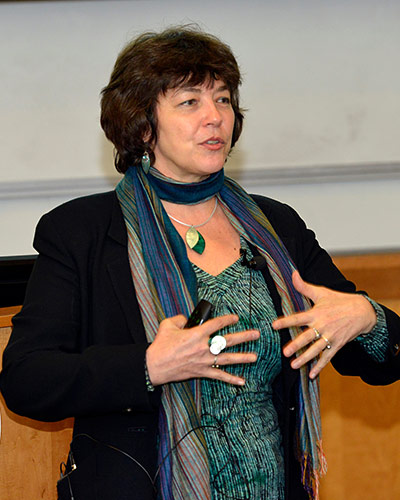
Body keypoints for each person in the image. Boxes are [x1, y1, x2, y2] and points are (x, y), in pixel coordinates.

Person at [1, 26, 399, 500]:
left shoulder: (276, 227)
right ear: (143, 125)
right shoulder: (82, 232)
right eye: (190, 102)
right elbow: (27, 379)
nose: (215, 117)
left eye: (223, 99)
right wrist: (149, 365)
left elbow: (378, 358)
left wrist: (367, 317)